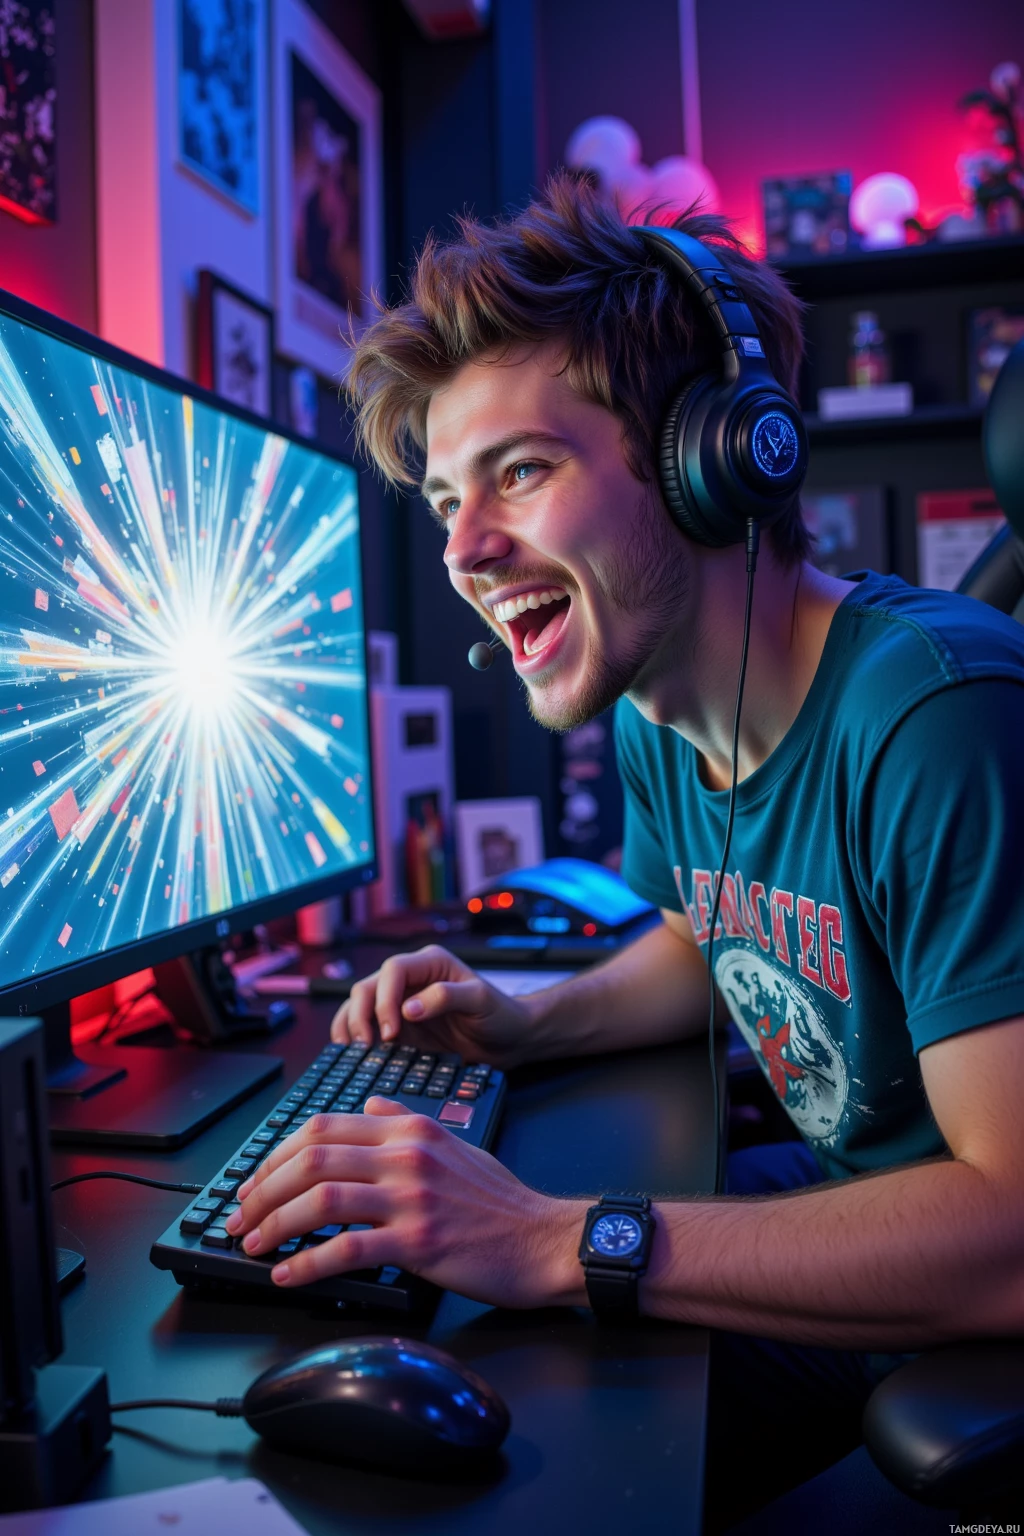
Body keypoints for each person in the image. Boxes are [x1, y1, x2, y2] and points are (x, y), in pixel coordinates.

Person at [224, 175, 1024, 1524]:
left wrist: (549, 1238)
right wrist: (530, 1023)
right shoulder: (665, 707)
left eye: (521, 471)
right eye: (443, 503)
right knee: (475, 1407)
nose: (469, 550)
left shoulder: (933, 719)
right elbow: (707, 939)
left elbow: (1012, 1234)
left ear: (711, 456)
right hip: (859, 1210)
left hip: (962, 1303)